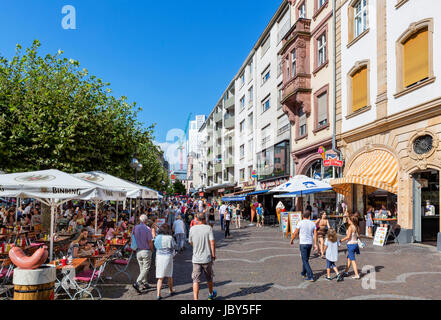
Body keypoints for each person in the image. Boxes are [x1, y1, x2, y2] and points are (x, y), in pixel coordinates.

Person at [188, 213, 217, 300]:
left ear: (197, 219)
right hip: (206, 257)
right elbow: (212, 242)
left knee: (195, 280)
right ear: (205, 219)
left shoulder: (192, 229)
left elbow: (190, 241)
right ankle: (211, 294)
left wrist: (195, 246)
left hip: (196, 258)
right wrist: (213, 254)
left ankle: (196, 299)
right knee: (209, 277)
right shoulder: (208, 228)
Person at [289, 210, 317, 282]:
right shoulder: (312, 223)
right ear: (309, 216)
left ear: (302, 216)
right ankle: (303, 272)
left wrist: (292, 239)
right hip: (309, 243)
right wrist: (315, 244)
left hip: (303, 243)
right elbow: (315, 234)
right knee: (306, 259)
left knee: (304, 260)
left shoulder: (300, 223)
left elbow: (295, 232)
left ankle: (310, 275)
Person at [132, 214, 154, 293]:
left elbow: (133, 237)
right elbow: (150, 241)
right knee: (146, 268)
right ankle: (138, 282)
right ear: (146, 221)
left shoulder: (135, 227)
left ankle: (145, 283)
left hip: (138, 250)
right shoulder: (147, 229)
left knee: (142, 268)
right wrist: (152, 249)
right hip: (146, 250)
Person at [154, 224, 176, 300]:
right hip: (168, 257)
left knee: (160, 277)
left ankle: (158, 294)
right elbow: (173, 247)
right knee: (169, 275)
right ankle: (171, 290)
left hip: (159, 256)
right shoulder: (170, 238)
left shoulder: (157, 237)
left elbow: (155, 246)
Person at [341, 215, 361, 279]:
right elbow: (358, 236)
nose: (347, 221)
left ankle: (356, 274)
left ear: (351, 221)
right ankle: (346, 272)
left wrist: (340, 240)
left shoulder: (350, 227)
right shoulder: (357, 227)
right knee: (349, 258)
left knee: (353, 260)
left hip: (351, 245)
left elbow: (348, 237)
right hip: (355, 244)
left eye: (349, 220)